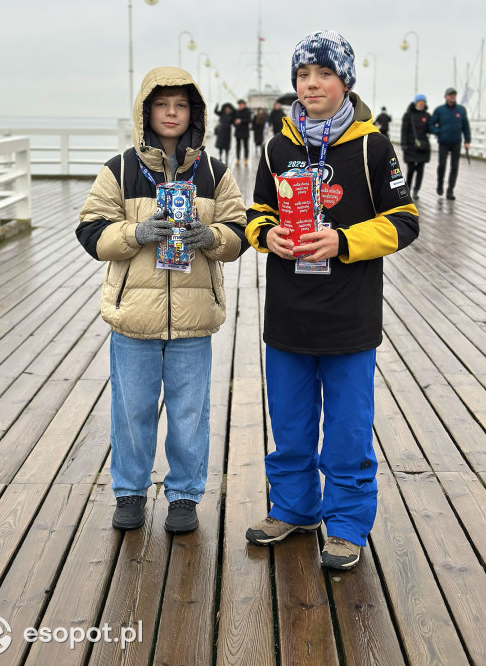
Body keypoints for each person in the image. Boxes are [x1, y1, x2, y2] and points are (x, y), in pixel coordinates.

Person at [245, 30, 419, 570]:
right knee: (291, 424)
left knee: (346, 429)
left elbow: (405, 222)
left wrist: (344, 242)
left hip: (349, 316)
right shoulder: (278, 145)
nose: (312, 84)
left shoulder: (372, 145)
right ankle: (295, 507)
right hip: (289, 316)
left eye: (324, 74)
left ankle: (345, 525)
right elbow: (256, 212)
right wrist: (264, 235)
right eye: (303, 75)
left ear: (345, 81)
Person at [76, 67, 247, 534]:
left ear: (194, 113)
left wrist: (210, 236)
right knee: (131, 409)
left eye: (181, 105)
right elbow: (91, 232)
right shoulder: (119, 169)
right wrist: (137, 232)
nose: (171, 113)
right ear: (146, 111)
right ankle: (129, 491)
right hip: (133, 318)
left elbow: (240, 232)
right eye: (162, 104)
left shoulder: (214, 172)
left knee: (190, 413)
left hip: (194, 319)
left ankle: (185, 496)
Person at [429, 87, 471, 200]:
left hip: (456, 142)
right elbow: (431, 124)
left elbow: (466, 126)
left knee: (454, 167)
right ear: (445, 97)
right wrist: (438, 132)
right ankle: (440, 184)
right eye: (450, 94)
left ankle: (450, 190)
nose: (452, 96)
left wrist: (467, 140)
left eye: (454, 95)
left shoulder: (461, 110)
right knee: (442, 165)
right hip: (443, 142)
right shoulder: (440, 110)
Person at [401, 94, 431, 200]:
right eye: (420, 101)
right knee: (411, 169)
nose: (421, 103)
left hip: (423, 147)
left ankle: (416, 190)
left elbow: (430, 129)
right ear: (415, 102)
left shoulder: (427, 115)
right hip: (410, 146)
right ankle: (408, 188)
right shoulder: (408, 115)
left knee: (420, 169)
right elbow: (404, 130)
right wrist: (403, 144)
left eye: (423, 101)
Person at [232, 98, 251, 166]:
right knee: (238, 146)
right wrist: (235, 124)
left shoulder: (248, 111)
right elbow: (233, 121)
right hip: (238, 132)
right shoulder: (236, 112)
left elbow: (249, 120)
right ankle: (238, 159)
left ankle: (246, 159)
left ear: (244, 105)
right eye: (239, 105)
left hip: (245, 132)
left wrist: (241, 121)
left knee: (246, 146)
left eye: (241, 104)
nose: (240, 106)